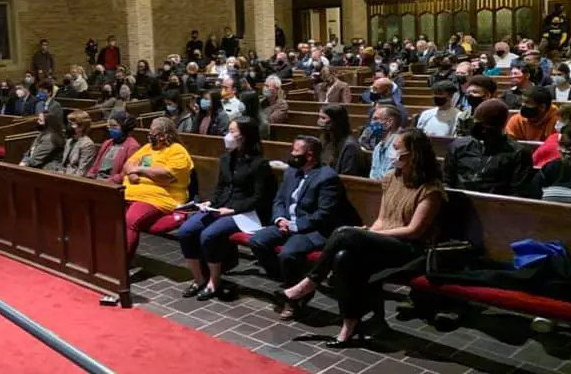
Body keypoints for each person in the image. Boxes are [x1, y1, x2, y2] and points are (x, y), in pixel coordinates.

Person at [281, 129, 446, 348]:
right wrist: (369, 232)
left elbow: (414, 231)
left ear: (413, 154)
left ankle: (308, 284)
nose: (392, 153)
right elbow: (382, 218)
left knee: (343, 232)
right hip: (384, 242)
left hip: (410, 249)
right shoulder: (392, 178)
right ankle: (349, 325)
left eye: (397, 149)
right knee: (342, 256)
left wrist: (369, 235)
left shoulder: (430, 189)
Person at [249, 135, 354, 317]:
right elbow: (280, 199)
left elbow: (324, 214)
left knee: (288, 254)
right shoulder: (291, 171)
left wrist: (294, 226)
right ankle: (292, 283)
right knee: (257, 241)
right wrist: (279, 219)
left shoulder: (327, 177)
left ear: (310, 155)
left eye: (296, 152)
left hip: (312, 229)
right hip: (287, 223)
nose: (291, 154)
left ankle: (293, 300)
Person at [176, 117, 275, 300]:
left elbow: (259, 198)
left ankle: (214, 281)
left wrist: (233, 210)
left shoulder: (259, 164)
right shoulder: (226, 159)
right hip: (221, 207)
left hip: (244, 213)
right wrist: (210, 203)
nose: (227, 135)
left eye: (232, 131)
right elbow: (220, 187)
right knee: (186, 231)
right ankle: (198, 279)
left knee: (209, 235)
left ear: (244, 136)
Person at [121, 117, 194, 263]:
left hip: (158, 197)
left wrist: (140, 168)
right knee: (108, 217)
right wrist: (133, 172)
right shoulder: (148, 148)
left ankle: (122, 265)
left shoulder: (177, 151)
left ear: (163, 134)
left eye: (153, 132)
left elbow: (166, 175)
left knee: (131, 221)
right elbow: (128, 164)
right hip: (130, 193)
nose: (150, 135)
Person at [444, 99, 537, 197]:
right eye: (478, 125)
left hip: (498, 208)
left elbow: (518, 193)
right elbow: (447, 181)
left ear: (501, 126)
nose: (483, 131)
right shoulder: (459, 146)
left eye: (487, 127)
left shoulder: (518, 153)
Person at [532, 103, 571, 168]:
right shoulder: (553, 137)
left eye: (563, 120)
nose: (558, 123)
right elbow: (535, 158)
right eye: (558, 119)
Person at [89, 111, 141, 182]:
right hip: (97, 180)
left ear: (124, 128)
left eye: (114, 126)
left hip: (113, 184)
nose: (110, 129)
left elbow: (126, 172)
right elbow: (95, 165)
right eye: (109, 126)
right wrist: (90, 176)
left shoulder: (133, 146)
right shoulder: (108, 143)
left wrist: (111, 181)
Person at [368, 104, 402, 179]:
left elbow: (393, 179)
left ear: (389, 122)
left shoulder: (398, 147)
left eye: (375, 119)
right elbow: (373, 177)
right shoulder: (377, 147)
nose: (371, 123)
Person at [61, 110, 98, 176]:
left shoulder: (87, 144)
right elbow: (64, 164)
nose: (69, 126)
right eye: (68, 123)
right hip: (62, 175)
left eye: (72, 124)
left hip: (73, 179)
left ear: (82, 127)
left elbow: (82, 172)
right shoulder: (69, 141)